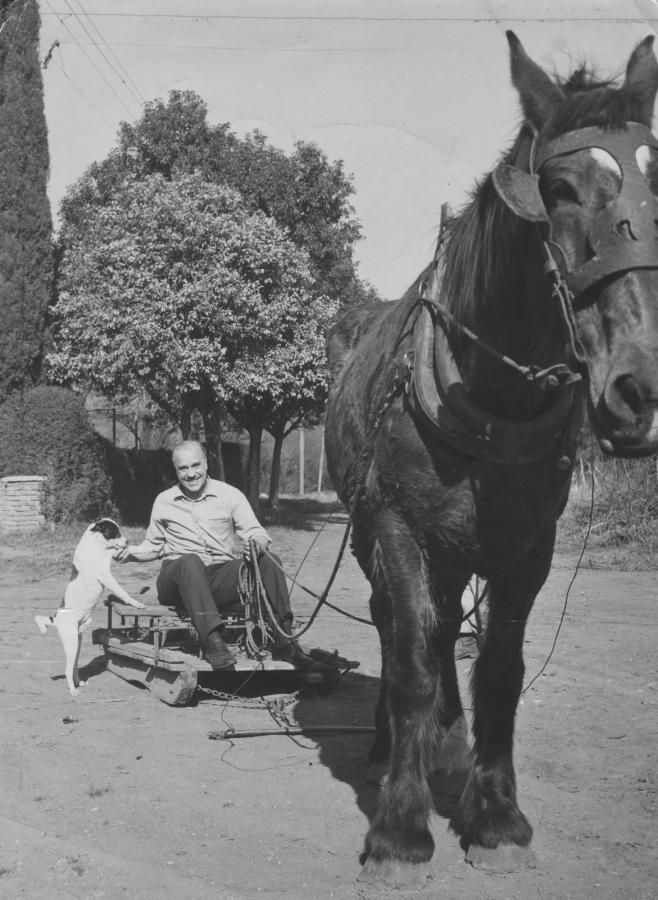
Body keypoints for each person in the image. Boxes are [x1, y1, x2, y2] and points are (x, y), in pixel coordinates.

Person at [116, 440, 316, 672]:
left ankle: (285, 641)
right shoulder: (164, 501)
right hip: (177, 580)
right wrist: (127, 554)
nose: (191, 474)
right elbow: (153, 546)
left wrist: (257, 543)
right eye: (183, 469)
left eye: (195, 465)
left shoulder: (229, 495)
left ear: (206, 463)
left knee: (270, 562)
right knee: (190, 561)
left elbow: (255, 531)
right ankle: (214, 644)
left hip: (218, 576)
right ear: (176, 470)